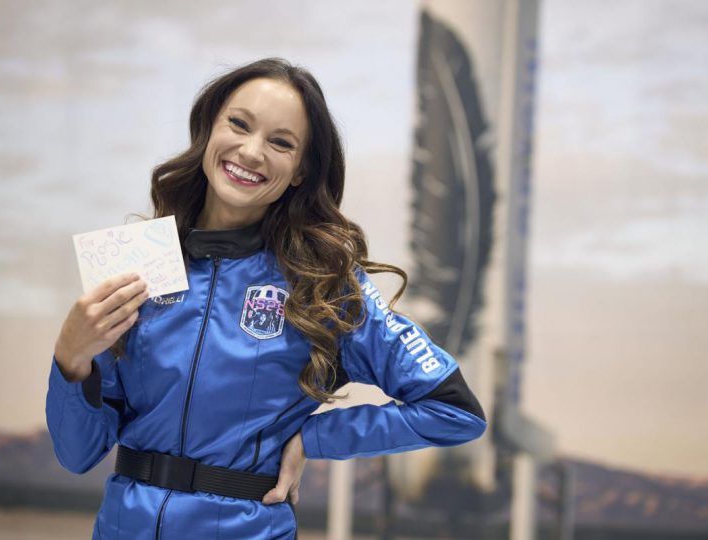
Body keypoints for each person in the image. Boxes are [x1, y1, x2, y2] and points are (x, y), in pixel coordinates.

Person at [45, 57, 487, 539]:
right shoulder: (140, 264)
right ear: (209, 130)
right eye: (238, 124)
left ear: (300, 171)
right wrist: (71, 359)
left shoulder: (322, 284)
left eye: (281, 143)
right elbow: (77, 454)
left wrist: (314, 438)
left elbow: (454, 411)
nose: (252, 152)